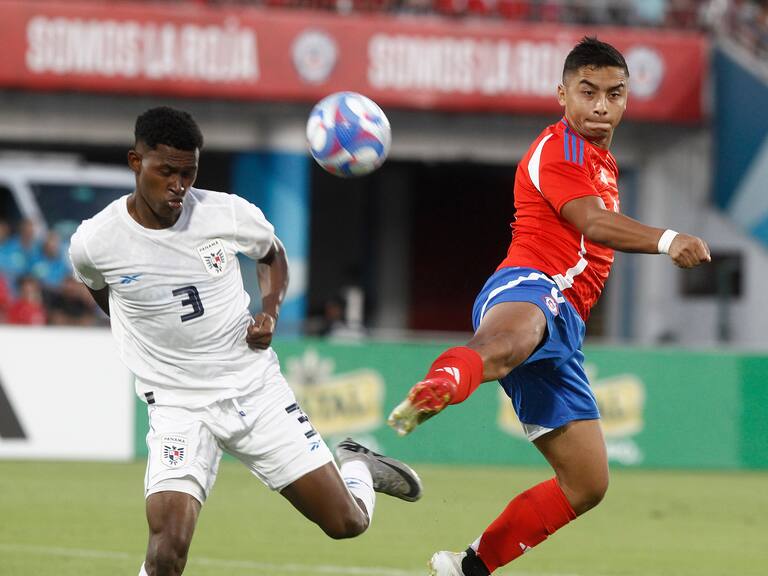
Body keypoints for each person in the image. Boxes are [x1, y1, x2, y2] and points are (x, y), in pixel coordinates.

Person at [388, 37, 711, 576]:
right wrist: (666, 238)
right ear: (562, 95)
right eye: (588, 92)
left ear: (627, 100)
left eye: (614, 94)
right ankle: (444, 380)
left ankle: (465, 567)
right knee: (507, 345)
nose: (601, 106)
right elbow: (591, 222)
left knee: (587, 483)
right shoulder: (559, 150)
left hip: (566, 326)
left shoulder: (600, 161)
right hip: (531, 286)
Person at [69, 106, 422, 576]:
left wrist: (270, 312)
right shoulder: (96, 241)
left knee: (346, 523)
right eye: (166, 172)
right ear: (137, 163)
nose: (178, 186)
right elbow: (99, 288)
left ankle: (357, 466)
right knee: (167, 547)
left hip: (252, 389)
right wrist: (141, 331)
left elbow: (271, 253)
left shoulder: (225, 213)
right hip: (177, 403)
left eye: (188, 173)